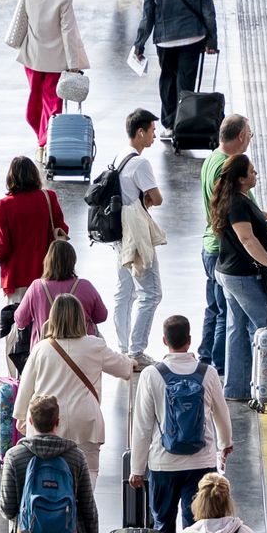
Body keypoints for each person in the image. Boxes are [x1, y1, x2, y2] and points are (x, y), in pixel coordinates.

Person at [129, 315, 231, 533]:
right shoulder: (208, 373)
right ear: (189, 340)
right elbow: (222, 413)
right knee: (197, 526)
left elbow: (142, 426)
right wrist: (224, 445)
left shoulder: (152, 374)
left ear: (165, 341)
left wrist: (137, 469)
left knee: (162, 523)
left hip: (163, 465)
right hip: (201, 463)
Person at [15, 295, 136, 488]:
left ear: (52, 318)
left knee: (46, 480)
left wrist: (23, 418)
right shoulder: (94, 345)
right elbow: (124, 369)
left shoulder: (41, 349)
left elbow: (25, 391)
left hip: (45, 422)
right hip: (85, 423)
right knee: (87, 478)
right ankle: (79, 513)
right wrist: (132, 363)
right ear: (81, 318)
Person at [0, 394, 99, 533]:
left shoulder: (15, 457)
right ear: (57, 421)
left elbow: (7, 507)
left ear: (31, 422)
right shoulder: (75, 456)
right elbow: (88, 508)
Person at [210, 154, 267, 400]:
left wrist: (262, 218)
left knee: (236, 329)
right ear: (241, 179)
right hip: (241, 275)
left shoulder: (236, 199)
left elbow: (247, 227)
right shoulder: (237, 203)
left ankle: (236, 388)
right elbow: (246, 238)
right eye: (252, 172)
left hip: (228, 273)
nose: (256, 175)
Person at [0, 157, 69, 376]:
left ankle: (18, 381)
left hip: (18, 281)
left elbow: (2, 248)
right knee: (48, 329)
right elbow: (62, 229)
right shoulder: (48, 198)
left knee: (17, 332)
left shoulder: (5, 206)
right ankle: (48, 377)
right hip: (48, 278)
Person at [132, 0, 217, 137]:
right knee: (185, 82)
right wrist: (212, 41)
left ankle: (170, 125)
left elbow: (147, 19)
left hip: (165, 41)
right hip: (192, 39)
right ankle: (184, 124)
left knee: (168, 80)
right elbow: (209, 14)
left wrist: (139, 44)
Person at [6, 0, 89, 151]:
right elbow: (68, 33)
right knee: (52, 103)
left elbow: (23, 24)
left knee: (35, 101)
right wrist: (73, 65)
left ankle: (41, 138)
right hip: (56, 62)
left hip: (32, 59)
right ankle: (46, 141)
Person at [199, 115, 255, 373]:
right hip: (225, 248)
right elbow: (237, 210)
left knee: (213, 308)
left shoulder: (211, 158)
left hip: (210, 245)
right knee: (226, 313)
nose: (250, 140)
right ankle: (221, 368)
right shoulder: (229, 168)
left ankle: (205, 357)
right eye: (250, 134)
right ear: (241, 136)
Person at [113, 109, 165, 367]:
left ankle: (123, 347)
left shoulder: (120, 155)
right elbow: (157, 198)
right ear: (141, 132)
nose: (155, 136)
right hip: (135, 234)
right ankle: (136, 351)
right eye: (152, 131)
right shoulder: (141, 163)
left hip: (118, 232)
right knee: (151, 293)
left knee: (125, 291)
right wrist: (146, 198)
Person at [12, 239, 110, 355]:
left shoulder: (36, 287)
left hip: (45, 352)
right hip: (82, 353)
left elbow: (20, 320)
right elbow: (101, 316)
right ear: (73, 261)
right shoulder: (85, 286)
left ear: (48, 261)